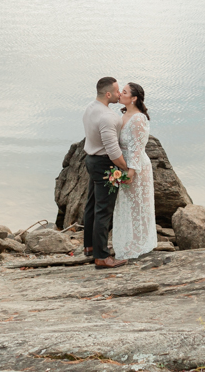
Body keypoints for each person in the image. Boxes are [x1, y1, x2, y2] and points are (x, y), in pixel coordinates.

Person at [82, 76, 131, 269]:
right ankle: (102, 257)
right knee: (103, 210)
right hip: (104, 165)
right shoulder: (108, 118)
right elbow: (113, 152)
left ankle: (90, 246)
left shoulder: (90, 108)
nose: (120, 94)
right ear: (109, 94)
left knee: (91, 205)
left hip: (90, 160)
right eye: (118, 91)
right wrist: (127, 168)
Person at [112, 81, 155, 260]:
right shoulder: (122, 116)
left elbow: (138, 147)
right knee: (126, 204)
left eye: (124, 91)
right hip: (123, 165)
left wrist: (131, 171)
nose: (120, 93)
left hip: (136, 168)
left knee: (139, 206)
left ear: (134, 98)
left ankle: (140, 243)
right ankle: (128, 241)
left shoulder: (138, 118)